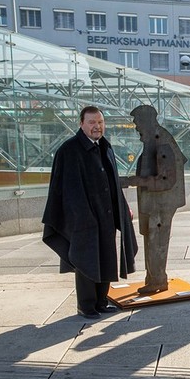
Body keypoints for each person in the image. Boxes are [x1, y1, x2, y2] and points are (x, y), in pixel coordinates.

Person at [42, 106, 138, 319]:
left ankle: (101, 302)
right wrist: (83, 217)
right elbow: (67, 190)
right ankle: (86, 306)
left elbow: (113, 183)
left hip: (106, 215)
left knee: (106, 257)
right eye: (92, 122)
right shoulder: (69, 150)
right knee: (85, 260)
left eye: (100, 122)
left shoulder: (105, 147)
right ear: (81, 124)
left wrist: (123, 208)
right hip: (84, 220)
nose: (97, 127)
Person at [120, 105, 187, 294]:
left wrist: (131, 181)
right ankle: (153, 277)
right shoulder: (154, 139)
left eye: (137, 123)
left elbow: (166, 179)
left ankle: (158, 279)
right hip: (155, 203)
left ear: (147, 121)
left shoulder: (161, 140)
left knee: (156, 240)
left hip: (161, 203)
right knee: (152, 239)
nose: (136, 128)